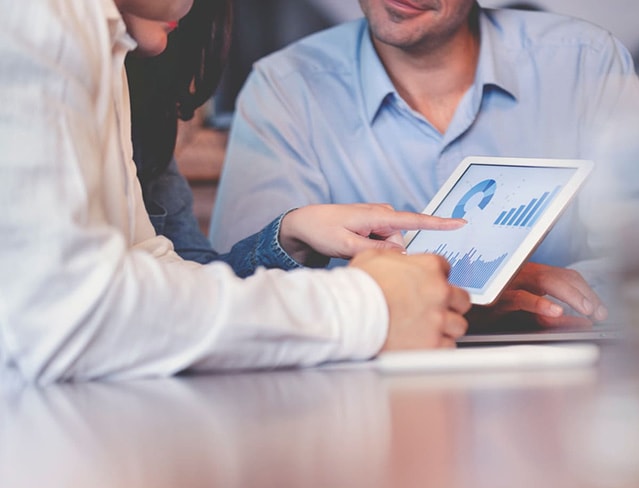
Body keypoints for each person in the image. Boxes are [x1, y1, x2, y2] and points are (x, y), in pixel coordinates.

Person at [0, 0, 471, 383]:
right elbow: (67, 316)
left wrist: (288, 235)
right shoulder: (41, 16)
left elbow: (157, 270)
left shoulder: (108, 45)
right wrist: (368, 306)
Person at [211, 0, 639, 328]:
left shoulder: (584, 62)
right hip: (368, 388)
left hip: (558, 373)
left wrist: (558, 287)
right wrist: (463, 289)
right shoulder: (284, 87)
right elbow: (241, 287)